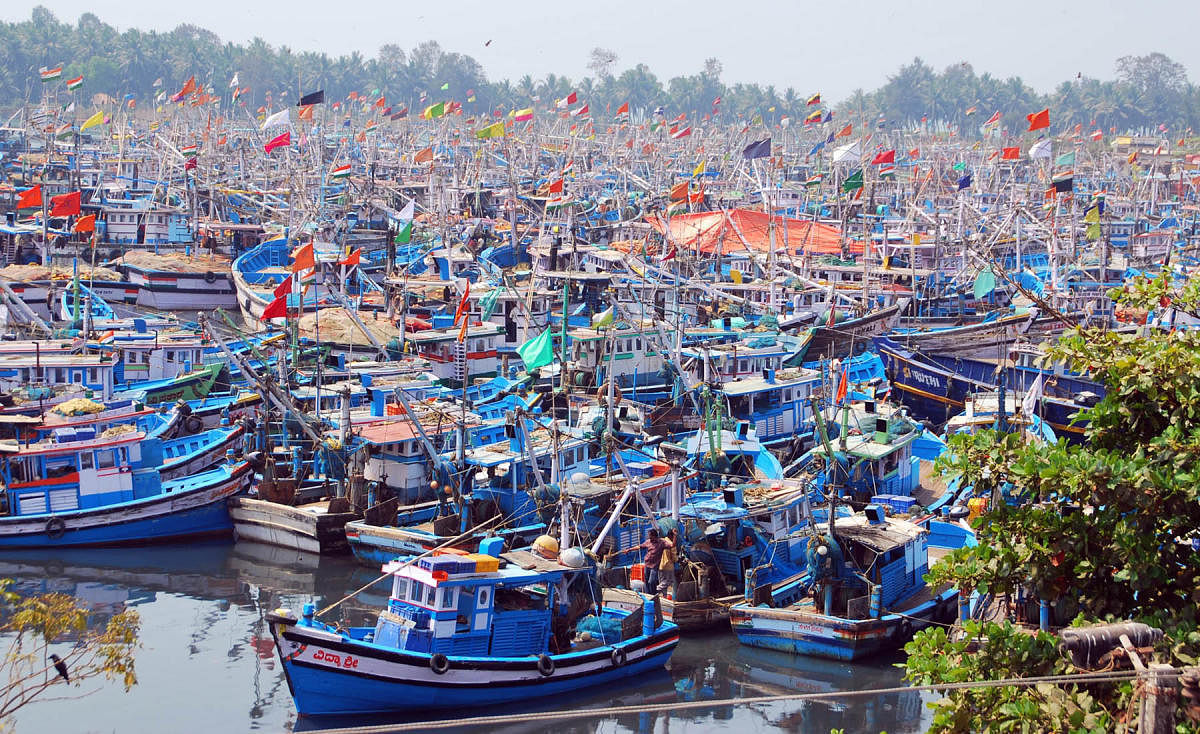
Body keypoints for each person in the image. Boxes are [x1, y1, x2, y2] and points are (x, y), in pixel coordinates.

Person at [639, 527, 666, 595]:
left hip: (654, 566)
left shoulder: (661, 543)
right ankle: (648, 594)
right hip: (647, 564)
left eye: (651, 537)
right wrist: (629, 550)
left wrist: (674, 536)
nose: (650, 538)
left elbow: (672, 545)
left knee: (652, 581)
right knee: (646, 580)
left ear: (655, 536)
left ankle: (653, 594)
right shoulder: (648, 542)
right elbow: (640, 546)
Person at [658, 528, 678, 598]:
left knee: (662, 581)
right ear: (672, 536)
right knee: (669, 581)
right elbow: (674, 558)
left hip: (660, 565)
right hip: (668, 566)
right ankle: (657, 589)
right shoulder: (671, 544)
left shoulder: (661, 540)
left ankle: (664, 597)